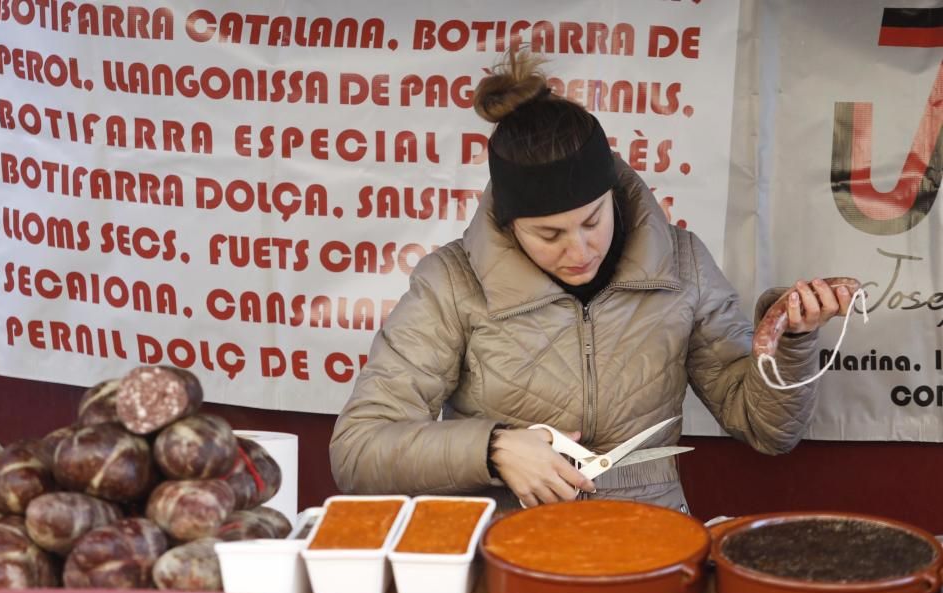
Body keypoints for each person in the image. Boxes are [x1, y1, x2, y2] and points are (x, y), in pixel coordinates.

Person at [328, 50, 852, 511]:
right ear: (509, 224)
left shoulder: (683, 264)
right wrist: (492, 449)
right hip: (506, 548)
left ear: (614, 196)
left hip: (648, 541)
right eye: (549, 233)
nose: (578, 250)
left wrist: (791, 340)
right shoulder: (450, 282)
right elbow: (357, 450)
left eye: (592, 220)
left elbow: (766, 430)